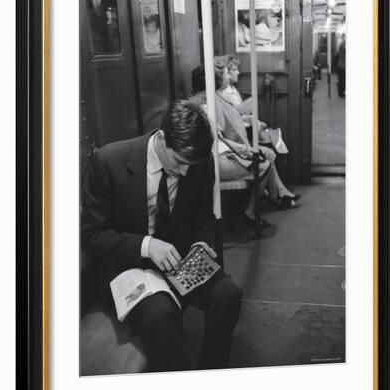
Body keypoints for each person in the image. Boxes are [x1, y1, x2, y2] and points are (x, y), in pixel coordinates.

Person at [82, 100, 242, 372]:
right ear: (162, 138)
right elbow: (92, 235)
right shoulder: (109, 162)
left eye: (191, 165)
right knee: (161, 315)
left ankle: (213, 370)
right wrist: (146, 246)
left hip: (180, 258)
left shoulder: (198, 165)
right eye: (179, 162)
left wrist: (202, 242)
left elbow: (203, 218)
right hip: (130, 263)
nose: (184, 172)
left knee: (228, 294)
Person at [191, 60, 300, 223]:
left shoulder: (206, 102)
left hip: (220, 153)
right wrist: (238, 148)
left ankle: (274, 197)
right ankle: (250, 212)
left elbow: (218, 136)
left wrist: (237, 148)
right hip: (212, 162)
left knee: (262, 159)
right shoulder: (205, 106)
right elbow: (217, 132)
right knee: (262, 166)